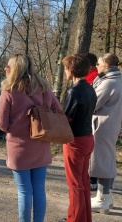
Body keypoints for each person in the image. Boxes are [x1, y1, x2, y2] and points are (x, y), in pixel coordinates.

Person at [0, 54, 61, 222]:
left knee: (24, 191)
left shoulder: (9, 90)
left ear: (15, 69)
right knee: (39, 189)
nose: (5, 68)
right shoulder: (44, 87)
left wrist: (15, 126)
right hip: (41, 143)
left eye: (8, 66)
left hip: (19, 147)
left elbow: (2, 123)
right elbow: (58, 110)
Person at [61, 54, 97, 222]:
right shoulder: (90, 88)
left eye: (66, 68)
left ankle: (74, 219)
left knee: (75, 184)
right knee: (83, 181)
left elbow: (66, 118)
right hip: (88, 137)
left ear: (71, 70)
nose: (65, 71)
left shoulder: (73, 91)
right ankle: (84, 218)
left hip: (75, 141)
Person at [90, 53, 122, 214]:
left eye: (99, 64)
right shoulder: (116, 80)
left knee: (102, 160)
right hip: (109, 124)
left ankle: (102, 198)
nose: (96, 66)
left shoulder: (109, 82)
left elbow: (93, 104)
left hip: (102, 125)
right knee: (106, 159)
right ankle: (105, 197)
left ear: (107, 66)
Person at [81, 52, 99, 191]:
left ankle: (92, 178)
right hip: (90, 116)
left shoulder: (93, 77)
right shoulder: (90, 76)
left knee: (93, 148)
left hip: (91, 117)